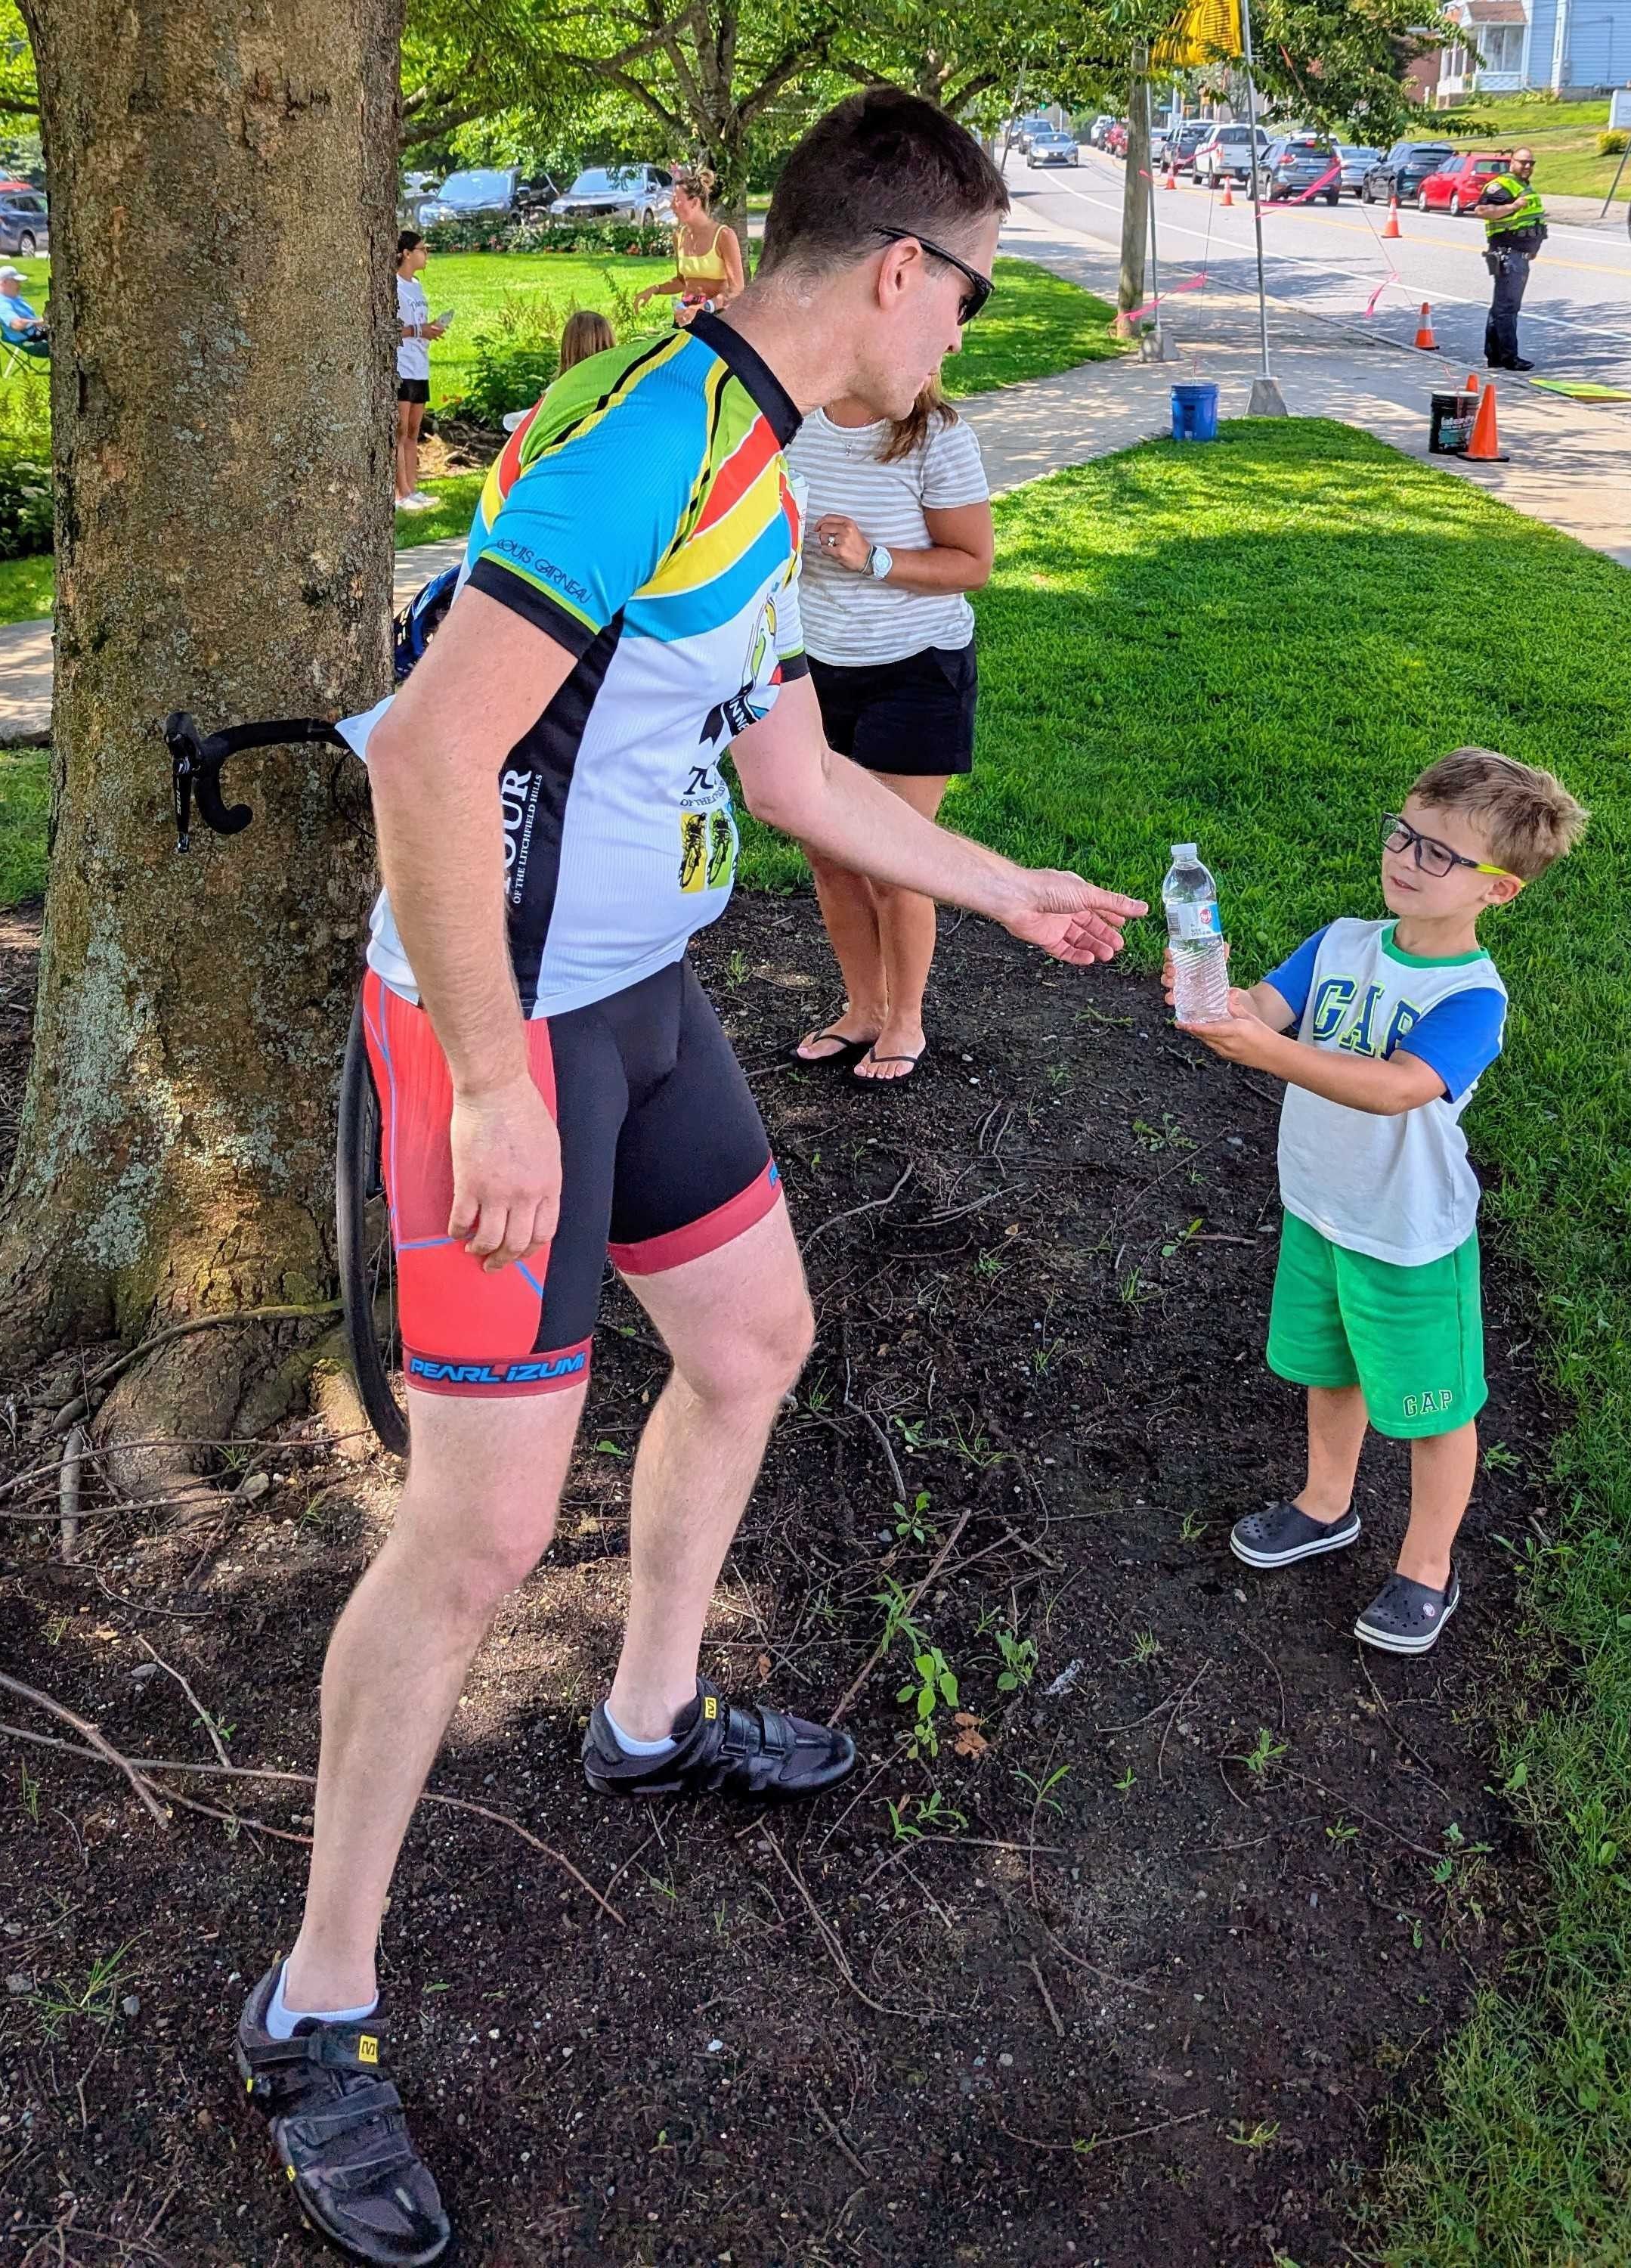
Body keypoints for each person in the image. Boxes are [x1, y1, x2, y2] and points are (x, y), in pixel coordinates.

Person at [234, 87, 1144, 2266]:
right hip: (500, 1034)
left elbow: (795, 760)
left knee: (754, 1341)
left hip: (637, 1004)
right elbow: (436, 753)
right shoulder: (662, 431)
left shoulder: (776, 455)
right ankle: (314, 2004)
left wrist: (1001, 885)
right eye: (976, 291)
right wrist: (488, 1081)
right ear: (902, 269)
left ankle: (645, 1719)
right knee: (473, 1538)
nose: (968, 338)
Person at [1171, 748, 1586, 1657]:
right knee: (1333, 1368)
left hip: (1408, 1238)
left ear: (1497, 892)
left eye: (1439, 853)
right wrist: (1210, 998)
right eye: (1404, 833)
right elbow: (1261, 1009)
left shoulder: (1470, 996)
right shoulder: (1341, 942)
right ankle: (1326, 1505)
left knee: (1434, 1410)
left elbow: (1398, 1087)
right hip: (1320, 1208)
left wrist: (1260, 1050)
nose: (1406, 857)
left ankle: (1426, 1568)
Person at [785, 374, 992, 1080]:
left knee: (894, 858)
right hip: (814, 666)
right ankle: (863, 1010)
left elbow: (973, 564)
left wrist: (873, 558)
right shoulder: (794, 418)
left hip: (916, 668)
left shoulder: (936, 437)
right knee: (829, 854)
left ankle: (906, 1020)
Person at [635, 166, 745, 322]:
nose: (672, 206)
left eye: (677, 201)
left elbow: (736, 289)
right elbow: (682, 281)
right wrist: (655, 289)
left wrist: (703, 308)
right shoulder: (679, 236)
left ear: (694, 203)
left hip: (718, 317)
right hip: (686, 314)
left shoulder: (724, 235)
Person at [1477, 149, 1546, 373]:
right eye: (1523, 162)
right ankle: (1509, 358)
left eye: (1531, 163)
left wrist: (1534, 247)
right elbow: (1483, 210)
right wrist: (1513, 206)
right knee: (1508, 308)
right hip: (1508, 254)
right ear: (1511, 162)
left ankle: (1495, 356)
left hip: (1521, 254)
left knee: (1502, 307)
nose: (1527, 167)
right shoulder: (1501, 186)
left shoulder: (1524, 186)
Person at [395, 231, 448, 511]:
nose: (425, 254)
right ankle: (400, 492)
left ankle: (412, 489)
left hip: (419, 364)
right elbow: (391, 329)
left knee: (414, 430)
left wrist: (430, 330)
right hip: (401, 364)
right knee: (400, 430)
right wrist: (419, 330)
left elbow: (418, 325)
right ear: (406, 253)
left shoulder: (416, 286)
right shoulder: (395, 286)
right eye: (421, 249)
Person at [0, 263, 47, 349]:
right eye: (16, 281)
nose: (20, 284)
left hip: (39, 333)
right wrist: (40, 322)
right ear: (5, 282)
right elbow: (16, 325)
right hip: (30, 342)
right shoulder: (2, 304)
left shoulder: (14, 296)